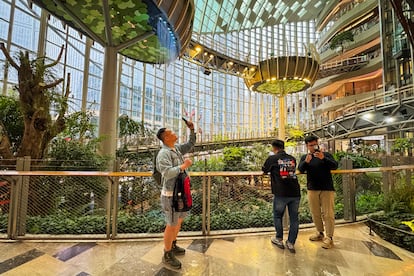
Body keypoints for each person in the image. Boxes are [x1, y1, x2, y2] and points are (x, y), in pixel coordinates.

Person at [156, 120, 196, 269]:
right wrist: (183, 166)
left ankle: (172, 245)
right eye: (171, 132)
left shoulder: (176, 149)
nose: (174, 133)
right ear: (166, 138)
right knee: (171, 224)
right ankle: (167, 253)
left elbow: (190, 143)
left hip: (181, 193)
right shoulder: (163, 153)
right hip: (170, 195)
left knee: (178, 222)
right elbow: (166, 173)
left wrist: (192, 129)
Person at [298, 135, 338, 249]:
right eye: (310, 145)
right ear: (307, 146)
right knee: (315, 213)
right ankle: (320, 233)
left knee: (328, 214)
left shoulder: (326, 155)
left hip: (327, 188)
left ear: (318, 143)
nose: (313, 147)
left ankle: (329, 237)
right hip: (312, 188)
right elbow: (300, 169)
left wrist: (323, 158)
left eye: (314, 144)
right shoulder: (305, 157)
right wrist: (306, 162)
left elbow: (335, 166)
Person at [262, 139, 301, 253]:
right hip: (295, 192)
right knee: (294, 219)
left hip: (281, 193)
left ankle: (279, 239)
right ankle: (291, 243)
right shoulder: (292, 158)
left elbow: (264, 170)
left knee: (278, 216)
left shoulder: (272, 158)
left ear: (274, 148)